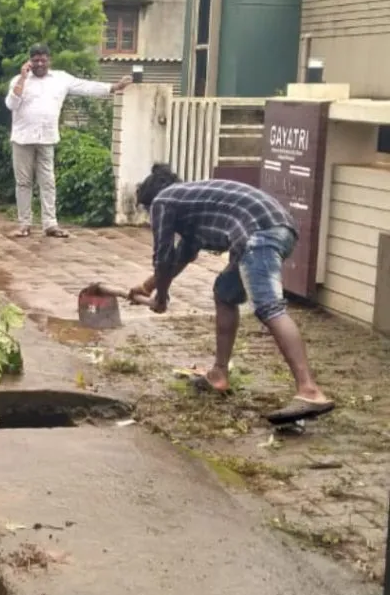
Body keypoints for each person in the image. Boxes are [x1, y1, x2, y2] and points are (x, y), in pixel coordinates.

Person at [131, 163, 334, 425]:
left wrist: (161, 297)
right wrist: (149, 287)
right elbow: (183, 255)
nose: (151, 216)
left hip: (259, 232)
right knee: (225, 292)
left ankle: (309, 390)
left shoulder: (163, 201)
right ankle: (219, 374)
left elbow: (163, 256)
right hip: (276, 228)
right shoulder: (192, 204)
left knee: (269, 308)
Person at [5, 44, 132, 239]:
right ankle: (24, 225)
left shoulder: (60, 79)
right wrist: (22, 77)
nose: (39, 63)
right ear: (30, 61)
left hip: (47, 138)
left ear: (49, 60)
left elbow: (85, 87)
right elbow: (11, 104)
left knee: (48, 182)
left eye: (43, 59)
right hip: (22, 139)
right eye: (35, 60)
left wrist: (113, 87)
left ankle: (50, 224)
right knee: (24, 183)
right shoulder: (19, 80)